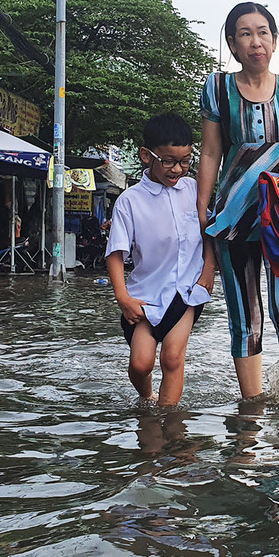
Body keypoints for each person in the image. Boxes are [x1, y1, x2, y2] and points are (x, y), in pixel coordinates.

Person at [198, 2, 279, 401]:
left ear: (275, 41)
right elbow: (209, 154)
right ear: (232, 44)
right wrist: (204, 213)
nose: (255, 41)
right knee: (246, 315)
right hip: (233, 216)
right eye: (245, 33)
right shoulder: (217, 88)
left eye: (263, 32)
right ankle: (252, 411)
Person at [106, 114, 212, 407]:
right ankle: (147, 399)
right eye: (168, 161)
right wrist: (123, 298)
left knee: (172, 357)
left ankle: (169, 428)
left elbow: (209, 232)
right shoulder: (130, 200)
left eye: (184, 161)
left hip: (187, 290)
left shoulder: (193, 190)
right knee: (141, 364)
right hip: (146, 294)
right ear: (146, 156)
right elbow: (116, 253)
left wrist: (208, 270)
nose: (177, 169)